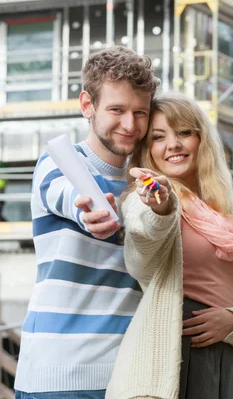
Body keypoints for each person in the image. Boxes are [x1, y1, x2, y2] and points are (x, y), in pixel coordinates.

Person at [106, 92, 233, 398]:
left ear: (203, 141)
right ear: (148, 150)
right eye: (159, 137)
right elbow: (141, 249)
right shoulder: (144, 201)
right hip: (165, 368)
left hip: (222, 368)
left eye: (184, 132)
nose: (173, 144)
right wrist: (160, 208)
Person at [15, 46, 160, 399]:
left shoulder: (148, 183)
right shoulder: (59, 163)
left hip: (128, 377)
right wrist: (88, 213)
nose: (130, 124)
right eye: (117, 109)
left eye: (140, 112)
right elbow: (70, 197)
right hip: (59, 379)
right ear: (87, 105)